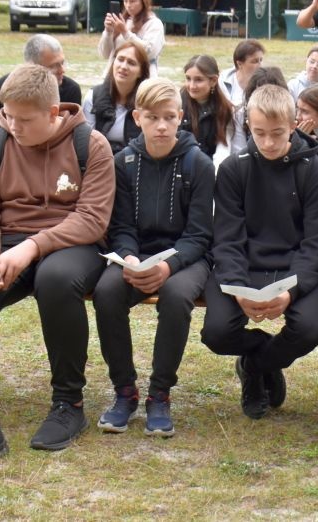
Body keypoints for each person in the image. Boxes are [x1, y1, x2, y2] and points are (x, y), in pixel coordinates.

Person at [0, 64, 115, 472]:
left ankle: (68, 404)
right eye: (7, 116)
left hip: (71, 243)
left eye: (24, 120)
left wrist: (32, 247)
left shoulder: (91, 144)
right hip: (6, 243)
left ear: (53, 112)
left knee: (56, 279)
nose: (13, 126)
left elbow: (92, 219)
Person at [201, 85, 318, 420]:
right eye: (259, 133)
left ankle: (255, 366)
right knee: (216, 333)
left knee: (309, 330)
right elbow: (227, 238)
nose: (269, 143)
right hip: (245, 268)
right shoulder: (234, 169)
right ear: (249, 126)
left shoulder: (315, 171)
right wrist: (238, 287)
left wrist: (291, 291)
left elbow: (317, 243)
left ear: (293, 125)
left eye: (277, 133)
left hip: (294, 269)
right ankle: (260, 351)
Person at [93, 78, 215, 437]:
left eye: (169, 117)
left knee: (176, 296)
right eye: (152, 117)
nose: (161, 126)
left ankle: (159, 393)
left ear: (180, 117)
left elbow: (199, 234)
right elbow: (121, 226)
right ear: (137, 118)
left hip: (186, 257)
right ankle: (124, 391)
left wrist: (167, 266)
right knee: (107, 292)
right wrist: (129, 258)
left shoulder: (199, 164)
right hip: (137, 254)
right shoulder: (123, 162)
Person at [0, 34, 81, 139]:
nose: (62, 70)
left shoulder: (71, 90)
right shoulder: (6, 88)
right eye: (53, 66)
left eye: (62, 63)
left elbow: (71, 136)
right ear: (31, 66)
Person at [83, 38, 147, 154]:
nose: (123, 66)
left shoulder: (147, 101)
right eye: (120, 59)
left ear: (141, 72)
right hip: (100, 158)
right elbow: (87, 141)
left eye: (131, 63)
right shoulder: (93, 97)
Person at [98, 0, 165, 72]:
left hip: (142, 76)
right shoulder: (123, 21)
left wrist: (125, 32)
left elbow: (149, 53)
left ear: (143, 1)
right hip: (116, 75)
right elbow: (105, 54)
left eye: (132, 1)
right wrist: (108, 32)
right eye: (125, 1)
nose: (128, 5)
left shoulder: (154, 23)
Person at [180, 54, 235, 166]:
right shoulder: (178, 103)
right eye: (188, 79)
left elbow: (223, 146)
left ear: (213, 81)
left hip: (208, 165)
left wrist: (215, 171)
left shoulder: (224, 109)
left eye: (198, 80)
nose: (192, 86)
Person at [220, 39, 265, 108]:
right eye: (254, 61)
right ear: (239, 64)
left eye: (261, 60)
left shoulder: (266, 83)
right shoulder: (222, 82)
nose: (260, 65)